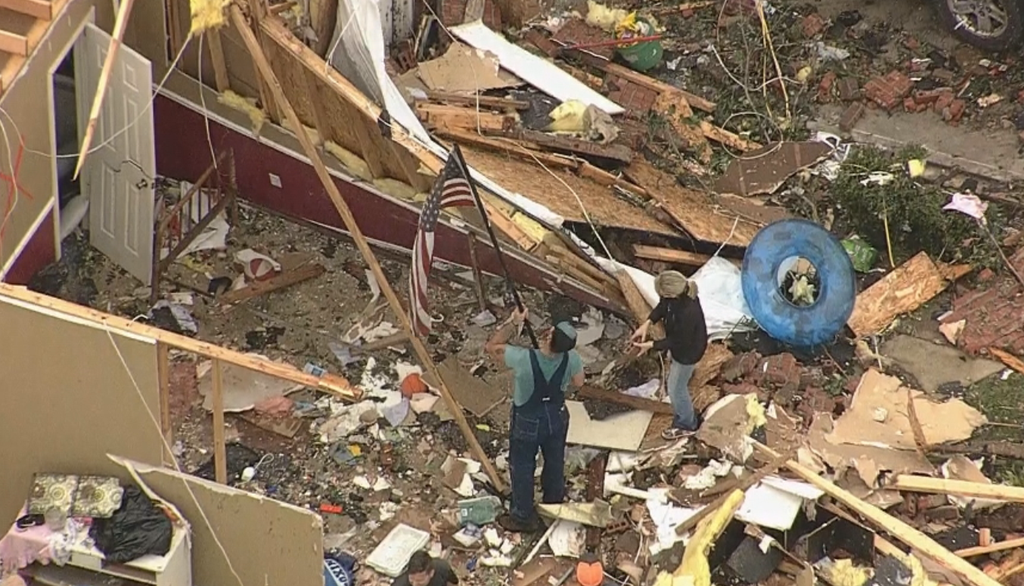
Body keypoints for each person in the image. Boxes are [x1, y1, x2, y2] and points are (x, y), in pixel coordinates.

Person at [485, 307, 585, 533]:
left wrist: (513, 322)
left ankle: (522, 516)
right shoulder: (572, 358)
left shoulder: (523, 358)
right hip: (557, 417)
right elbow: (579, 383)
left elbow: (491, 347)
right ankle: (553, 504)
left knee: (522, 465)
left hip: (528, 419)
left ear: (549, 335)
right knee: (555, 461)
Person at [630, 270, 708, 441]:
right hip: (681, 345)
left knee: (676, 389)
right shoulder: (676, 296)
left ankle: (688, 424)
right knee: (677, 379)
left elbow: (678, 340)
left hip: (689, 351)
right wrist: (647, 323)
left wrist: (651, 345)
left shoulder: (688, 311)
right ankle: (687, 415)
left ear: (672, 293)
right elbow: (663, 307)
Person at [392, 550, 458, 586]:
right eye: (411, 579)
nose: (415, 585)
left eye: (419, 581)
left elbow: (454, 583)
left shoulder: (442, 568)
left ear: (431, 573)